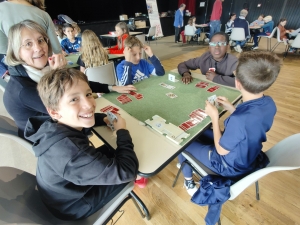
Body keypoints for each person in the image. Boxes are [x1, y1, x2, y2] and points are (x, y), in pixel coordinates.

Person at [24, 67, 139, 220]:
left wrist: (100, 118)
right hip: (74, 205)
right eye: (74, 99)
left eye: (88, 94)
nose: (89, 104)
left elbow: (80, 116)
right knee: (133, 168)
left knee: (114, 151)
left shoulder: (54, 123)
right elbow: (127, 171)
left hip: (61, 193)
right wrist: (121, 132)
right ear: (54, 111)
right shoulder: (72, 154)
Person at [3, 20, 136, 139]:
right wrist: (104, 118)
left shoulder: (40, 68)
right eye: (28, 44)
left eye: (40, 40)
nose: (38, 48)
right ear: (15, 51)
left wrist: (111, 87)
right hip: (48, 138)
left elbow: (77, 86)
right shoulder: (23, 89)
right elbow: (67, 112)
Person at [178, 51, 281, 196]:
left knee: (183, 142)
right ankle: (188, 160)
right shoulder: (269, 103)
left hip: (227, 165)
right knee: (196, 132)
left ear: (237, 83)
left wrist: (215, 117)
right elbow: (250, 125)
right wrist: (232, 109)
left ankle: (188, 178)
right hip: (248, 155)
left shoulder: (239, 120)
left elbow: (221, 150)